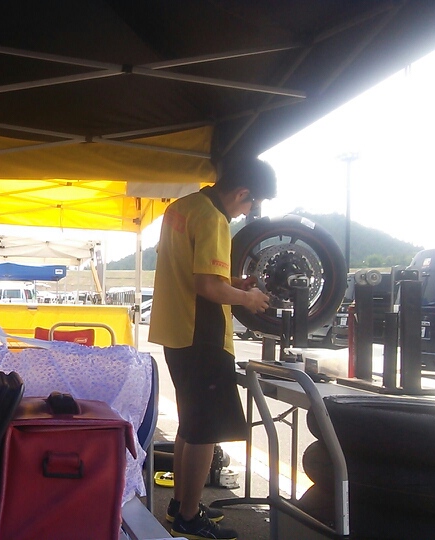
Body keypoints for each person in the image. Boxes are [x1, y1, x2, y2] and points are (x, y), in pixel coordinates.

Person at [148, 157, 275, 540]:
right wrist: (248, 298)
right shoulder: (214, 218)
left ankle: (180, 505)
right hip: (202, 336)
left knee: (190, 425)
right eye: (252, 204)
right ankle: (188, 518)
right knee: (205, 431)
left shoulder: (182, 208)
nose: (247, 212)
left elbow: (193, 271)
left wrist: (233, 280)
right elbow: (207, 287)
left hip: (177, 333)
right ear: (242, 192)